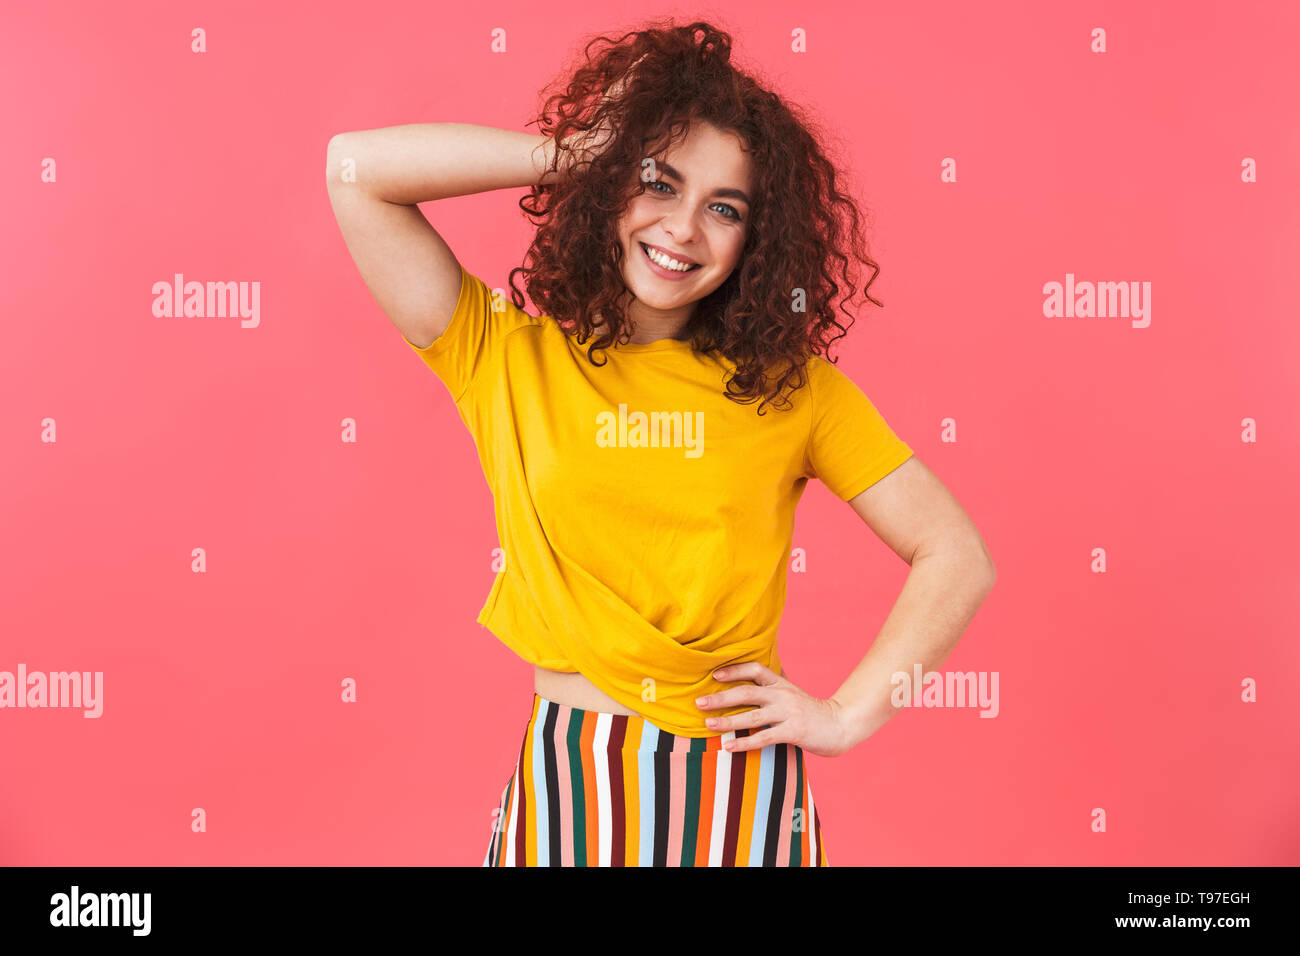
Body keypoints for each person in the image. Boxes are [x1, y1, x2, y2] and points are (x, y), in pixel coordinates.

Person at [325, 19, 996, 866]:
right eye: (659, 183)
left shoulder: (799, 393)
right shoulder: (505, 353)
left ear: (756, 241)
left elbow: (956, 553)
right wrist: (581, 153)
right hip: (565, 790)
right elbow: (353, 172)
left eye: (724, 209)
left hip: (741, 800)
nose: (683, 229)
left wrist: (844, 716)